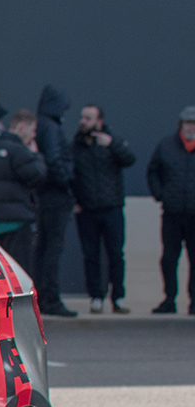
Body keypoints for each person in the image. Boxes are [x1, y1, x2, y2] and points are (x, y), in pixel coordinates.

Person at [70, 103, 135, 315]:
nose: (83, 121)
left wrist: (112, 144)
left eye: (88, 118)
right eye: (82, 117)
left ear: (99, 121)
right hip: (87, 210)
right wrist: (75, 201)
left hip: (112, 208)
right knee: (91, 255)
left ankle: (118, 297)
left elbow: (129, 159)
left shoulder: (110, 142)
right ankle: (96, 297)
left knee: (116, 254)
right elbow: (69, 175)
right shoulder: (76, 146)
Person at [0, 108, 47, 274]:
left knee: (0, 273)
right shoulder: (21, 152)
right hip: (18, 223)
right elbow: (38, 175)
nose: (34, 136)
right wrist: (35, 155)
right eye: (32, 130)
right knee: (20, 272)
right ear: (22, 127)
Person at [31, 85, 78, 316]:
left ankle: (43, 295)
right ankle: (50, 297)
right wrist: (66, 179)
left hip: (45, 197)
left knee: (43, 249)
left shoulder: (41, 125)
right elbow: (55, 160)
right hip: (55, 198)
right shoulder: (52, 128)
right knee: (52, 249)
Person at [144, 107, 195, 314]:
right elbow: (152, 172)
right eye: (188, 123)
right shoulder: (166, 146)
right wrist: (160, 194)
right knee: (169, 258)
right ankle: (169, 299)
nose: (191, 127)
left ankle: (194, 301)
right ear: (181, 126)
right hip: (172, 213)